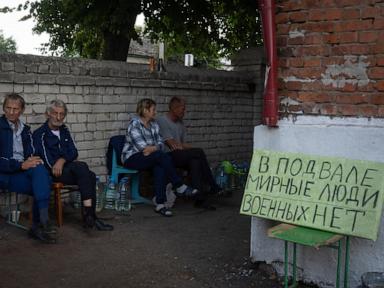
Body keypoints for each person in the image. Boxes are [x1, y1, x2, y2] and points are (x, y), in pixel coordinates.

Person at [33, 100, 113, 231]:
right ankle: (90, 216)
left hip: (69, 169)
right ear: (47, 114)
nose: (58, 117)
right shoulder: (40, 134)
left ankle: (90, 217)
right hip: (53, 173)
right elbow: (47, 162)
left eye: (62, 114)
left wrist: (62, 159)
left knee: (89, 174)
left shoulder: (64, 130)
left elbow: (74, 152)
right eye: (55, 113)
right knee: (85, 170)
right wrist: (60, 162)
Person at [122, 98, 198, 217]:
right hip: (132, 158)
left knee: (160, 164)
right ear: (146, 110)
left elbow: (161, 144)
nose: (155, 112)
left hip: (151, 157)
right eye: (153, 109)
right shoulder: (134, 124)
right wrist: (154, 148)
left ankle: (160, 204)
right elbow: (143, 148)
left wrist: (153, 148)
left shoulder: (154, 125)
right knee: (160, 157)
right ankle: (178, 185)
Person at [0, 93, 57, 244]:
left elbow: (31, 152)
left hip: (22, 172)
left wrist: (31, 159)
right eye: (8, 108)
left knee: (38, 168)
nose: (11, 112)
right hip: (4, 174)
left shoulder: (25, 129)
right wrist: (20, 164)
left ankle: (42, 221)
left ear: (22, 110)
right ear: (3, 108)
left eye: (15, 109)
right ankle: (39, 225)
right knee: (42, 184)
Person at [157, 96, 222, 210]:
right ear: (174, 108)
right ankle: (213, 186)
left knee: (195, 161)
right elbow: (172, 145)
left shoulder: (180, 123)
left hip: (180, 155)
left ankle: (200, 199)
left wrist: (193, 150)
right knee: (198, 153)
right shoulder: (162, 121)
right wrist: (192, 150)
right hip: (167, 156)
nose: (184, 112)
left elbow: (182, 144)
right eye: (183, 109)